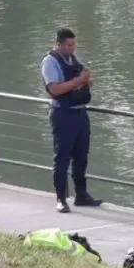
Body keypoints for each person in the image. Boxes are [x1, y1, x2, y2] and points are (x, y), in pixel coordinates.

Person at [41, 27, 101, 213]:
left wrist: (87, 81)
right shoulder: (50, 62)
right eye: (69, 45)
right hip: (63, 115)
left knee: (81, 156)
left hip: (80, 114)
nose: (72, 48)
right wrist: (78, 81)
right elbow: (55, 90)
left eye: (74, 44)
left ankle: (81, 194)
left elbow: (80, 80)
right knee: (62, 157)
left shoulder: (72, 59)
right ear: (58, 44)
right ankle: (61, 198)